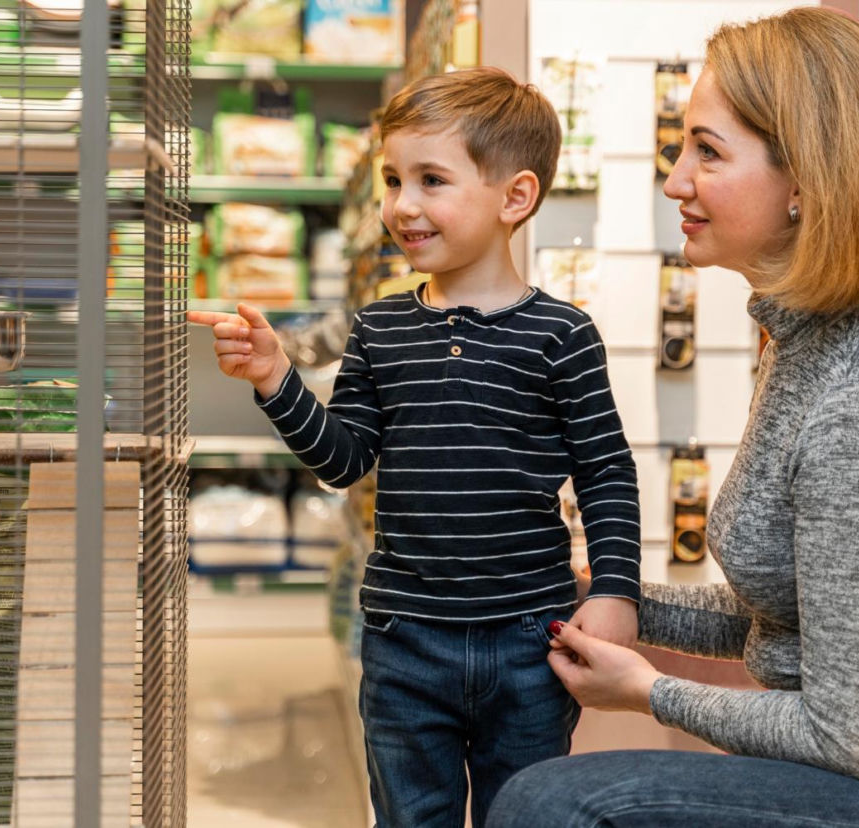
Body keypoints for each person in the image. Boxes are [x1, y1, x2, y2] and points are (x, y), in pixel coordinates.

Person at [486, 8, 859, 828]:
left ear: (806, 185)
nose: (675, 179)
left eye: (707, 152)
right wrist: (593, 595)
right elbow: (788, 613)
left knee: (551, 807)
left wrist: (648, 692)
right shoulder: (808, 334)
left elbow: (850, 736)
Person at [188, 65, 641, 828]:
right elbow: (344, 459)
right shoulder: (379, 328)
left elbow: (605, 470)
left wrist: (615, 590)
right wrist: (276, 378)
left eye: (432, 180)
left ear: (516, 197)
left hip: (531, 640)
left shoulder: (562, 336)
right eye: (394, 179)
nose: (402, 205)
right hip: (403, 642)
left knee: (525, 815)